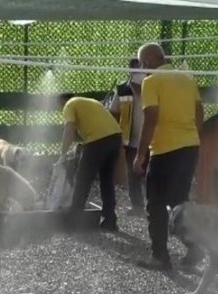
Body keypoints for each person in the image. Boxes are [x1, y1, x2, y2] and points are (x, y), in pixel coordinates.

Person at [132, 42, 203, 270]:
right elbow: (199, 112)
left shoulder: (152, 81)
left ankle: (160, 256)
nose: (142, 68)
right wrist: (192, 137)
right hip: (189, 146)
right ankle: (195, 246)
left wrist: (140, 155)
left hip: (164, 150)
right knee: (179, 202)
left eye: (142, 64)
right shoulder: (187, 78)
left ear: (147, 62)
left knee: (155, 204)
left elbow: (150, 118)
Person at [60, 94, 123, 230]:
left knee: (83, 179)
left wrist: (63, 154)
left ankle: (73, 221)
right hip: (116, 137)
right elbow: (86, 129)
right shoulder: (89, 102)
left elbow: (69, 130)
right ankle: (110, 220)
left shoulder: (69, 105)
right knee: (106, 180)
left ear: (62, 102)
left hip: (98, 140)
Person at [106, 58, 145, 213]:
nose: (138, 73)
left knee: (153, 175)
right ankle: (138, 206)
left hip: (152, 139)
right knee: (132, 175)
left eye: (141, 69)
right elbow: (113, 113)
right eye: (135, 69)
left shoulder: (154, 86)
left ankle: (155, 206)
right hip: (130, 140)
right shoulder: (123, 90)